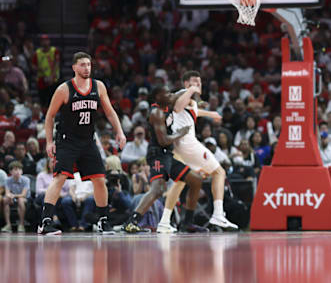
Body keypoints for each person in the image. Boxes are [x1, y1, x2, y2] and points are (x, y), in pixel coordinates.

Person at [38, 52, 127, 235]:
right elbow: (50, 116)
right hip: (66, 140)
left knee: (100, 180)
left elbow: (109, 112)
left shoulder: (98, 86)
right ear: (74, 68)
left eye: (88, 64)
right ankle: (45, 222)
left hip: (88, 140)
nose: (87, 68)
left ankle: (103, 221)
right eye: (82, 65)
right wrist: (48, 142)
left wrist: (119, 131)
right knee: (60, 178)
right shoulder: (64, 89)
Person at [124, 86, 208, 233]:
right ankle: (132, 222)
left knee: (196, 180)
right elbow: (163, 140)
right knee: (158, 190)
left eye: (169, 92)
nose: (170, 95)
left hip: (168, 155)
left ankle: (187, 223)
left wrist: (197, 101)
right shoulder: (156, 113)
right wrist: (180, 134)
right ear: (158, 97)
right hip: (157, 154)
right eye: (166, 93)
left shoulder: (169, 101)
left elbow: (185, 92)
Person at [171, 71, 238, 230]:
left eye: (199, 82)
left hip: (181, 147)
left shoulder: (191, 100)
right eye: (194, 82)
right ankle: (218, 215)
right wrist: (191, 90)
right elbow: (179, 106)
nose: (198, 85)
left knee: (185, 183)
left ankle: (173, 221)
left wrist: (211, 114)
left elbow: (194, 110)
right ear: (186, 83)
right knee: (219, 172)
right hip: (187, 144)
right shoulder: (182, 94)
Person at [2, 161, 29, 232]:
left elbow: (24, 194)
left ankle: (21, 224)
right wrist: (10, 197)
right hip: (13, 197)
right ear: (10, 172)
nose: (18, 172)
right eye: (15, 169)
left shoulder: (26, 180)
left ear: (22, 171)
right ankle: (8, 225)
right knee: (5, 200)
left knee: (20, 200)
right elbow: (7, 193)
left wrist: (13, 196)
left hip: (25, 198)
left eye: (20, 169)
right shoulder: (7, 180)